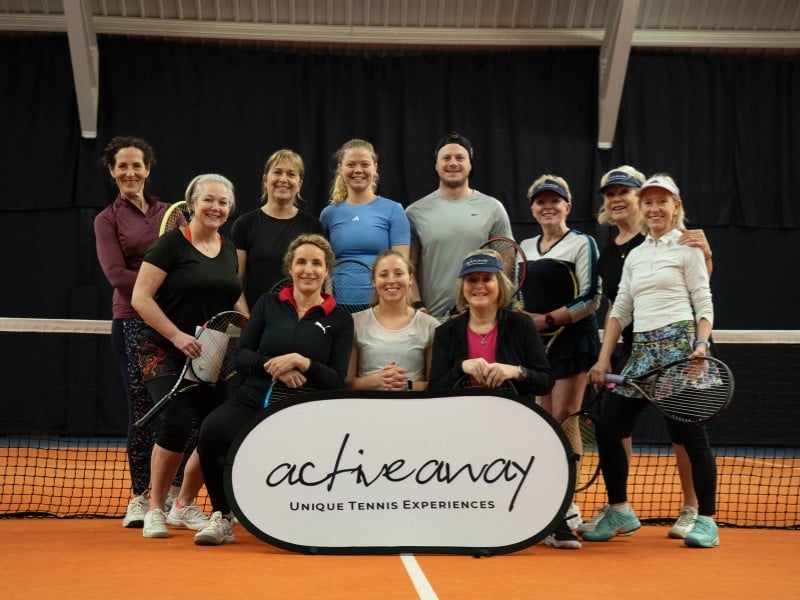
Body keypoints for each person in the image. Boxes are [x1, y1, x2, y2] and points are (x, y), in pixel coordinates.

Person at [578, 166, 715, 540]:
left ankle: (706, 520)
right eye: (649, 202)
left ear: (676, 206)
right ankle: (620, 511)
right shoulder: (636, 256)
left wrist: (700, 345)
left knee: (691, 435)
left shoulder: (687, 247)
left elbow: (704, 300)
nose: (654, 209)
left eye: (662, 202)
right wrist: (604, 358)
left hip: (680, 347)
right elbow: (620, 309)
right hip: (642, 351)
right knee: (609, 429)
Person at [194, 234, 354, 545]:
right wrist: (275, 366)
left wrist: (302, 362)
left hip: (304, 411)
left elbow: (336, 378)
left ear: (326, 271)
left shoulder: (340, 319)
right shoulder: (268, 304)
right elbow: (241, 355)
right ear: (290, 267)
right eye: (302, 262)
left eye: (316, 263)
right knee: (211, 431)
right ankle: (222, 515)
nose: (309, 269)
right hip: (253, 398)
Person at [131, 173, 246, 539]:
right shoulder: (169, 245)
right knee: (176, 421)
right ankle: (155, 508)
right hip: (163, 348)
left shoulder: (227, 248)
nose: (216, 207)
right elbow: (141, 298)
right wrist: (176, 335)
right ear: (192, 203)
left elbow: (234, 299)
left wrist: (249, 327)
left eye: (223, 202)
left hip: (211, 353)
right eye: (209, 200)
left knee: (216, 429)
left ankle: (183, 504)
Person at [95, 136, 187, 528]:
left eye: (137, 165)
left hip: (177, 323)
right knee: (143, 410)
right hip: (132, 321)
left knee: (182, 407)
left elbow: (190, 258)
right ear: (112, 171)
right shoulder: (106, 219)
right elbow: (116, 276)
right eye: (122, 166)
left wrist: (172, 291)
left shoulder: (172, 214)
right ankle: (139, 495)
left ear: (148, 169)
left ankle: (178, 497)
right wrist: (160, 286)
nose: (130, 172)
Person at [518, 174, 602, 549]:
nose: (548, 206)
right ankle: (550, 501)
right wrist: (525, 322)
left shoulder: (582, 243)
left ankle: (566, 505)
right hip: (537, 345)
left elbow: (591, 297)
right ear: (533, 208)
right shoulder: (523, 247)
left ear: (567, 206)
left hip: (573, 339)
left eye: (555, 201)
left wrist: (548, 319)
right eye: (541, 201)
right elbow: (516, 295)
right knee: (544, 419)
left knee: (566, 418)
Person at [405, 132, 514, 320]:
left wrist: (489, 302)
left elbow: (506, 260)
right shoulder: (414, 213)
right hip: (432, 319)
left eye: (460, 158)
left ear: (470, 164)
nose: (453, 163)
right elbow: (408, 268)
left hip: (480, 317)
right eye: (446, 158)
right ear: (437, 165)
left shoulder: (493, 208)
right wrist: (419, 307)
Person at [428, 249, 554, 397]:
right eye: (471, 280)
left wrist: (516, 371)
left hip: (512, 415)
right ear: (462, 287)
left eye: (487, 279)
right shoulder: (445, 332)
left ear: (500, 285)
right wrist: (460, 368)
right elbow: (434, 389)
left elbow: (546, 383)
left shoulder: (522, 325)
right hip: (461, 416)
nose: (479, 285)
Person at [319, 139, 410, 310]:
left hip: (381, 305)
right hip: (338, 307)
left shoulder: (394, 210)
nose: (358, 170)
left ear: (375, 168)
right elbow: (324, 267)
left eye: (365, 164)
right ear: (340, 169)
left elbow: (401, 267)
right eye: (351, 164)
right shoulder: (328, 214)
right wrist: (329, 302)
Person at [230, 149, 324, 312]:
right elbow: (235, 283)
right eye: (277, 172)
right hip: (257, 321)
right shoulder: (244, 224)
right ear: (266, 180)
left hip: (301, 320)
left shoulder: (313, 227)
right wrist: (247, 320)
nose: (283, 179)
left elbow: (321, 280)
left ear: (299, 183)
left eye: (291, 174)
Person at [346, 249, 439, 392]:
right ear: (373, 281)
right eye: (383, 275)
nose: (391, 280)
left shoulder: (430, 325)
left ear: (410, 279)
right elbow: (346, 383)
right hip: (367, 407)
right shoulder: (354, 322)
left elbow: (435, 384)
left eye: (399, 273)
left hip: (413, 407)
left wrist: (406, 385)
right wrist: (376, 381)